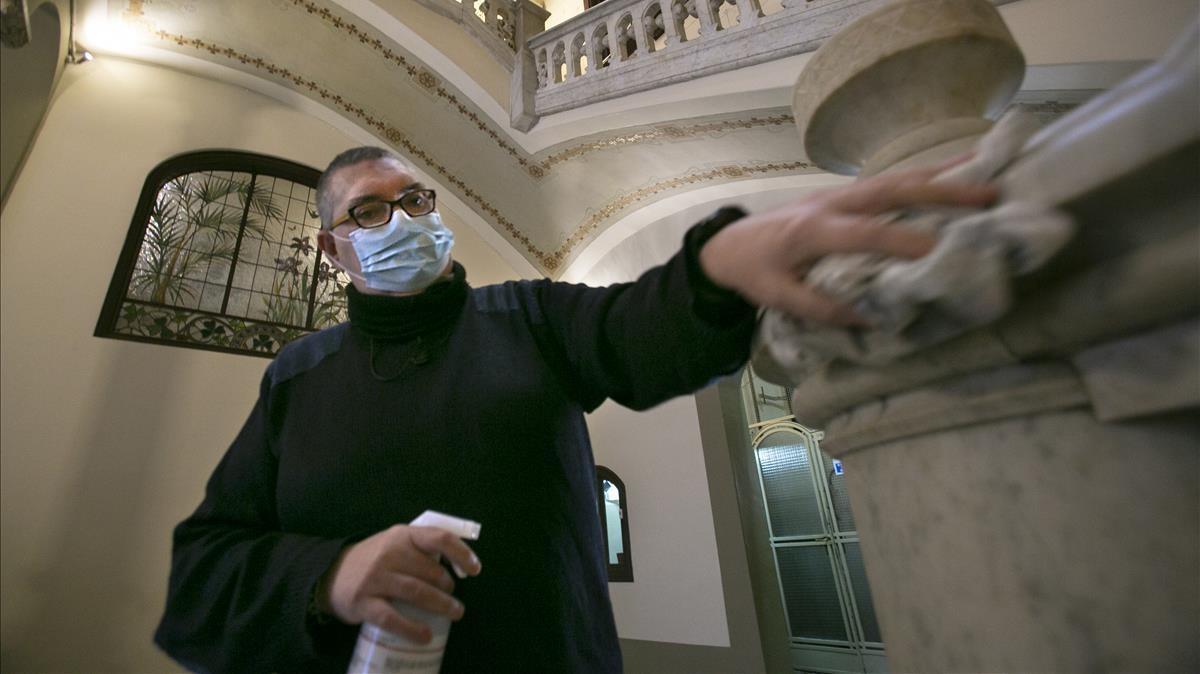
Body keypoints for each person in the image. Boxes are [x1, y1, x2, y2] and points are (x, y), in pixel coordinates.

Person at [153, 146, 994, 673]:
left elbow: (634, 329)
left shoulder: (527, 319)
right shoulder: (298, 375)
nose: (401, 218)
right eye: (367, 212)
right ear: (337, 250)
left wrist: (715, 268)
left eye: (414, 201)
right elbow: (204, 570)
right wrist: (327, 578)